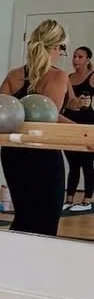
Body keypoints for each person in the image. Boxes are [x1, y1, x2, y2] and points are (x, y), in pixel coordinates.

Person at [0, 20, 69, 237]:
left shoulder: (14, 75)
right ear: (55, 47)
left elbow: (3, 112)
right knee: (45, 220)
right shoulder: (58, 76)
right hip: (41, 153)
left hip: (14, 152)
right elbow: (48, 118)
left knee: (25, 216)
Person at [64, 46, 94, 206]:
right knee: (73, 163)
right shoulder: (67, 77)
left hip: (87, 122)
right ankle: (69, 198)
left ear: (88, 59)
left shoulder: (92, 76)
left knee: (87, 162)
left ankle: (87, 198)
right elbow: (67, 101)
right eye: (74, 56)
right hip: (70, 121)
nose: (75, 59)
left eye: (80, 57)